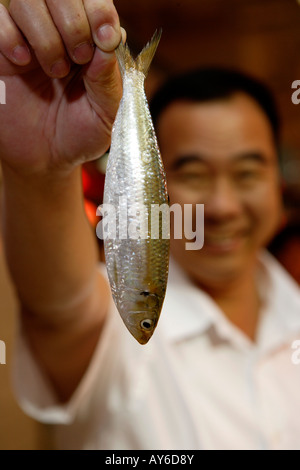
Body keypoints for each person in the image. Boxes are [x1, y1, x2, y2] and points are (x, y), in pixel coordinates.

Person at [0, 0, 299, 451]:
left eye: (246, 172)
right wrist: (40, 171)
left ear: (278, 184)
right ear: (156, 182)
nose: (220, 206)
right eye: (193, 174)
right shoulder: (109, 322)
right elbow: (60, 309)